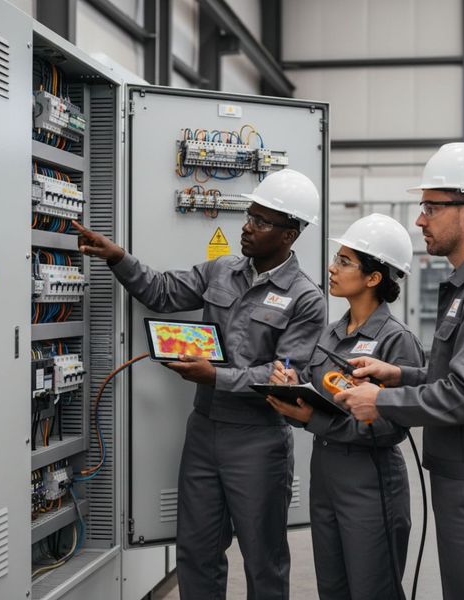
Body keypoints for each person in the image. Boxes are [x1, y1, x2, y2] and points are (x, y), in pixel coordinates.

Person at [73, 168, 327, 599]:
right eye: (250, 215)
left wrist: (217, 376)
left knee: (263, 558)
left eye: (262, 221)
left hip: (258, 441)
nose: (248, 227)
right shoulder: (222, 270)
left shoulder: (306, 298)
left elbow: (287, 376)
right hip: (205, 431)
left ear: (290, 234)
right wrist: (118, 257)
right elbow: (163, 292)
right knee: (196, 551)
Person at [338, 143, 464, 600]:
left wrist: (381, 402)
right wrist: (399, 375)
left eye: (431, 207)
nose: (420, 220)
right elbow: (462, 376)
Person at [266, 214, 425, 600]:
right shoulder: (331, 334)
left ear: (374, 278)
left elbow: (390, 427)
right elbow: (318, 396)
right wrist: (291, 389)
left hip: (370, 483)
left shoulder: (395, 341)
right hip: (327, 477)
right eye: (336, 258)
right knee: (333, 589)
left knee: (373, 589)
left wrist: (313, 421)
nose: (332, 268)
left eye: (345, 262)